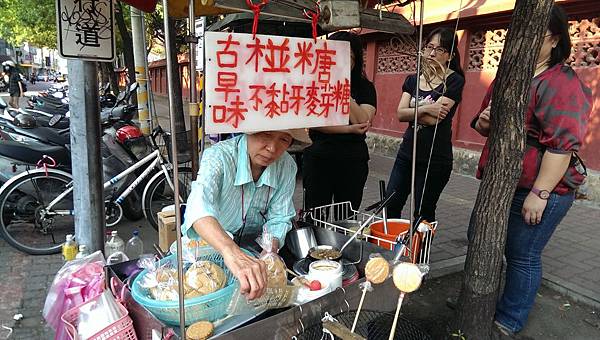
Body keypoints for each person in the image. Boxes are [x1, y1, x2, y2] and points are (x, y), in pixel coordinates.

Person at [471, 5, 592, 336]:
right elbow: (486, 122)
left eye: (531, 34)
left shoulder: (561, 82)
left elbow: (562, 145)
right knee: (486, 240)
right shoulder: (510, 75)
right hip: (504, 180)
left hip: (542, 187)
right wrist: (484, 123)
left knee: (522, 254)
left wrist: (541, 192)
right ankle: (478, 304)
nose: (518, 40)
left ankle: (510, 318)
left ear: (553, 40)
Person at [182, 129, 310, 300]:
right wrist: (232, 252)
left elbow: (280, 217)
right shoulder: (218, 156)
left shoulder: (286, 166)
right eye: (266, 135)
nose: (272, 148)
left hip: (253, 254)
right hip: (205, 252)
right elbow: (198, 206)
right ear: (248, 131)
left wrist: (269, 252)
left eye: (284, 139)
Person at [386, 27, 465, 222]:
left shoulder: (454, 80)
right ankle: (394, 250)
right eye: (429, 47)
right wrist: (425, 109)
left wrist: (414, 111)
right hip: (407, 154)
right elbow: (399, 113)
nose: (431, 53)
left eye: (439, 49)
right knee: (390, 204)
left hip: (434, 159)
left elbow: (434, 119)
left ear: (450, 55)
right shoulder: (413, 80)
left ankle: (420, 253)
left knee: (423, 213)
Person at [302, 31, 377, 212]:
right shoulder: (315, 82)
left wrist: (341, 88)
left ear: (356, 59)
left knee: (346, 216)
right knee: (315, 214)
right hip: (318, 157)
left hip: (352, 160)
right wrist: (348, 130)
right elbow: (313, 122)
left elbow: (363, 121)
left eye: (349, 56)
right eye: (337, 54)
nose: (343, 61)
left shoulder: (364, 86)